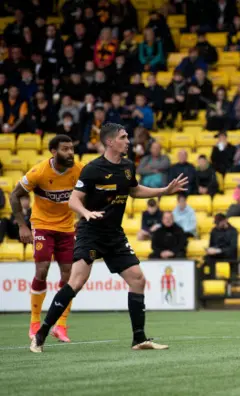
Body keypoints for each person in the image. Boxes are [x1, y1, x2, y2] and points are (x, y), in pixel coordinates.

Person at [30, 123, 188, 353]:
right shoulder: (93, 169)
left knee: (137, 279)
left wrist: (163, 191)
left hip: (114, 233)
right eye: (124, 137)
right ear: (110, 142)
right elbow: (74, 200)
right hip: (91, 231)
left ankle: (139, 339)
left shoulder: (126, 166)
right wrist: (85, 213)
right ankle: (41, 334)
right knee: (76, 282)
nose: (128, 141)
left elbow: (134, 190)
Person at [9, 135, 81, 342]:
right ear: (53, 151)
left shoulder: (80, 170)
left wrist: (83, 214)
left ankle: (61, 326)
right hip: (42, 225)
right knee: (42, 270)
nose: (70, 153)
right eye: (65, 149)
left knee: (69, 277)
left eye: (72, 148)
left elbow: (93, 192)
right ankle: (34, 323)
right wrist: (23, 225)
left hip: (67, 228)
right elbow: (14, 195)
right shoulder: (39, 172)